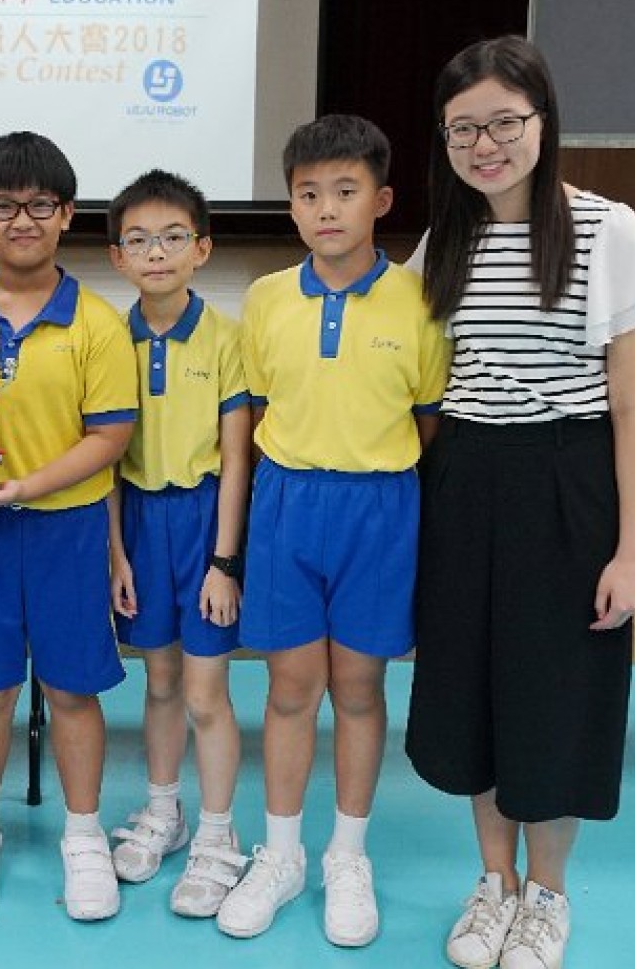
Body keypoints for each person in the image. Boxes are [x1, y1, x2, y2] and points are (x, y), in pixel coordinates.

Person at [404, 35, 635, 969]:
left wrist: (631, 550)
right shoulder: (444, 241)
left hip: (567, 482)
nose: (485, 145)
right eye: (462, 129)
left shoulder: (606, 229)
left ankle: (547, 894)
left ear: (543, 121)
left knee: (554, 697)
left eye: (503, 123)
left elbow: (633, 407)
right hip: (465, 481)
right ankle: (494, 883)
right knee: (475, 689)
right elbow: (421, 384)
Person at [217, 114, 451, 947]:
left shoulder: (420, 302)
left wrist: (369, 466)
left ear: (381, 201)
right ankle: (280, 854)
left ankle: (347, 854)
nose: (326, 208)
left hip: (379, 509)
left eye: (345, 191)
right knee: (289, 688)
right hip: (287, 506)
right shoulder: (266, 298)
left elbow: (427, 421)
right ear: (290, 204)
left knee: (357, 687)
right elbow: (256, 415)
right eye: (309, 193)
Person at [0, 131, 138, 922]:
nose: (23, 220)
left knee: (73, 689)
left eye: (40, 204)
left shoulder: (97, 322)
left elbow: (109, 435)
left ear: (68, 214)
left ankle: (83, 836)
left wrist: (24, 487)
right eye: (4, 205)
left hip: (67, 530)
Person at [101, 169, 251, 918]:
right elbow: (105, 459)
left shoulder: (226, 338)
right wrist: (116, 555)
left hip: (203, 521)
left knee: (204, 691)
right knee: (159, 682)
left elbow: (238, 458)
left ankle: (219, 835)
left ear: (202, 248)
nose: (155, 252)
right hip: (138, 524)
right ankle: (165, 810)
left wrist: (225, 560)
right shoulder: (108, 339)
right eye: (138, 240)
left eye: (171, 237)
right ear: (117, 257)